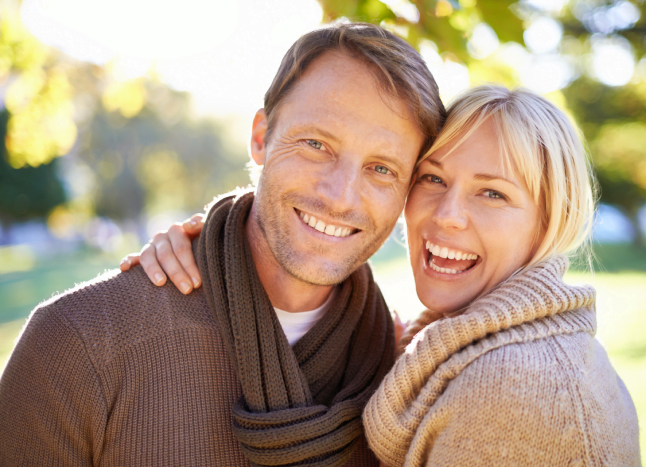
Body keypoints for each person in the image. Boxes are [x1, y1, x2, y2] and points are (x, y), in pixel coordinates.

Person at [0, 23, 445, 467]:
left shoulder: (402, 369)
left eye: (382, 169)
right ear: (260, 137)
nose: (341, 196)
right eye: (316, 144)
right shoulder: (78, 344)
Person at [126, 86, 641, 465]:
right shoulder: (444, 345)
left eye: (493, 193)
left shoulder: (516, 388)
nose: (446, 215)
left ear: (550, 220)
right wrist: (223, 243)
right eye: (432, 179)